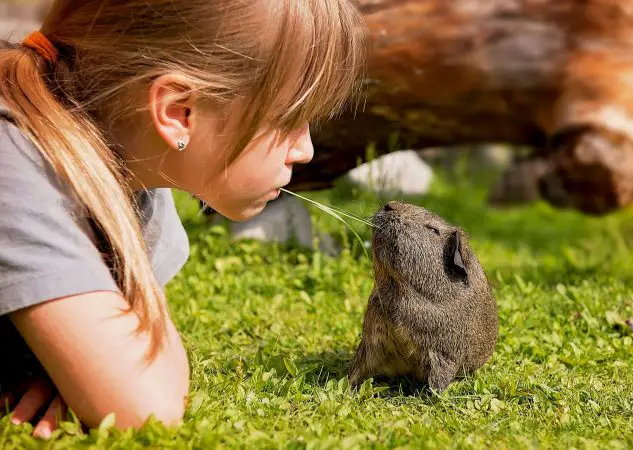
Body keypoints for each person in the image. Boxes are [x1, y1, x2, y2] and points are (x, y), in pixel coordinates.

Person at [0, 0, 367, 439]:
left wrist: (67, 364)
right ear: (178, 112)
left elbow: (130, 361)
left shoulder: (135, 177)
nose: (304, 150)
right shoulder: (15, 166)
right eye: (289, 119)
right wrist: (108, 372)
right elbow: (147, 407)